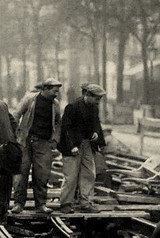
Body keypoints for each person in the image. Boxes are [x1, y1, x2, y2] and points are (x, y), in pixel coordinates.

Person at [11, 79, 62, 215]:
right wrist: (15, 134)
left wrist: (55, 139)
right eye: (54, 91)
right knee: (22, 172)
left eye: (57, 91)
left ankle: (41, 205)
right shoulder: (30, 99)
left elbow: (58, 123)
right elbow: (16, 114)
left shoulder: (55, 105)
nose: (56, 94)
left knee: (42, 174)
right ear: (45, 89)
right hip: (26, 141)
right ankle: (18, 204)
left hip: (44, 142)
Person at [57, 83, 106, 214]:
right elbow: (65, 129)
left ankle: (86, 202)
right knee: (71, 176)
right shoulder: (72, 107)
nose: (98, 101)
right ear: (87, 95)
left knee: (89, 174)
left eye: (100, 99)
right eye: (97, 98)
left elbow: (96, 123)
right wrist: (71, 146)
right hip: (72, 146)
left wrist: (97, 134)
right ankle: (66, 203)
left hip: (87, 144)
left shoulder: (94, 107)